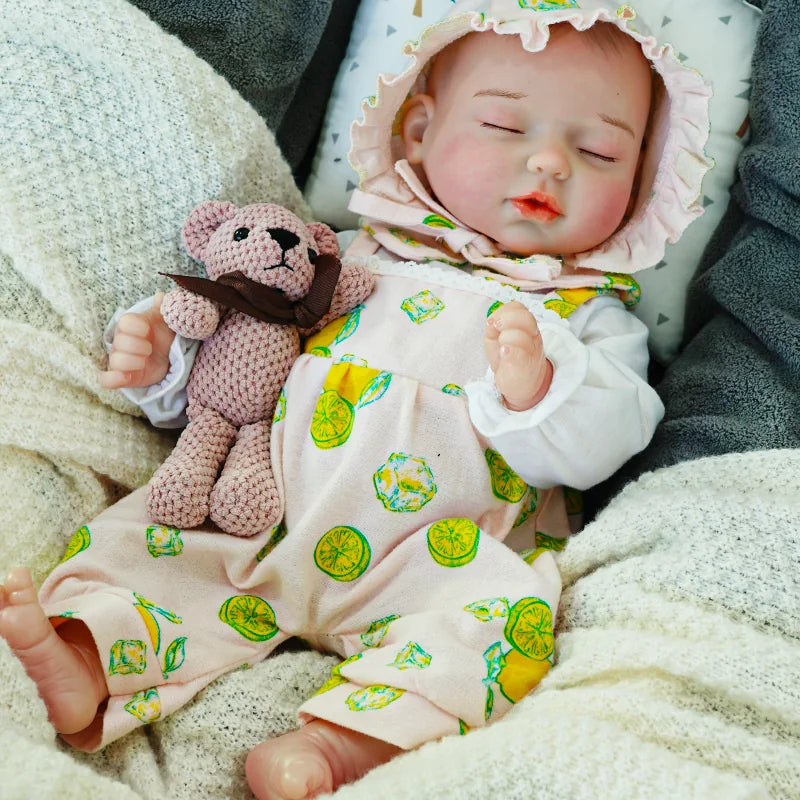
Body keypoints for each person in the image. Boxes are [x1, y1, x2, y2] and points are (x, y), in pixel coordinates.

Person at [0, 0, 712, 797]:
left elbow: (613, 438)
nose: (549, 162)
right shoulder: (340, 257)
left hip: (432, 558)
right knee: (150, 538)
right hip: (254, 514)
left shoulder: (587, 318)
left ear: (646, 176)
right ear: (418, 132)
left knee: (507, 618)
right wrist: (165, 356)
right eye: (507, 129)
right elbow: (238, 373)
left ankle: (336, 746)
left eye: (599, 149)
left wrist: (541, 389)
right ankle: (86, 659)